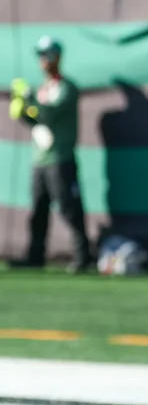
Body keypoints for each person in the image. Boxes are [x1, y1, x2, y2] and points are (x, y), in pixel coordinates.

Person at [9, 37, 94, 273]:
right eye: (40, 56)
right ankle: (35, 256)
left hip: (60, 158)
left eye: (46, 55)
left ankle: (82, 256)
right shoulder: (43, 89)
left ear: (57, 57)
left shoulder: (67, 88)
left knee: (69, 208)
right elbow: (37, 119)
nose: (42, 60)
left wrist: (28, 98)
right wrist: (22, 112)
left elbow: (50, 114)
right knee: (38, 210)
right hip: (40, 159)